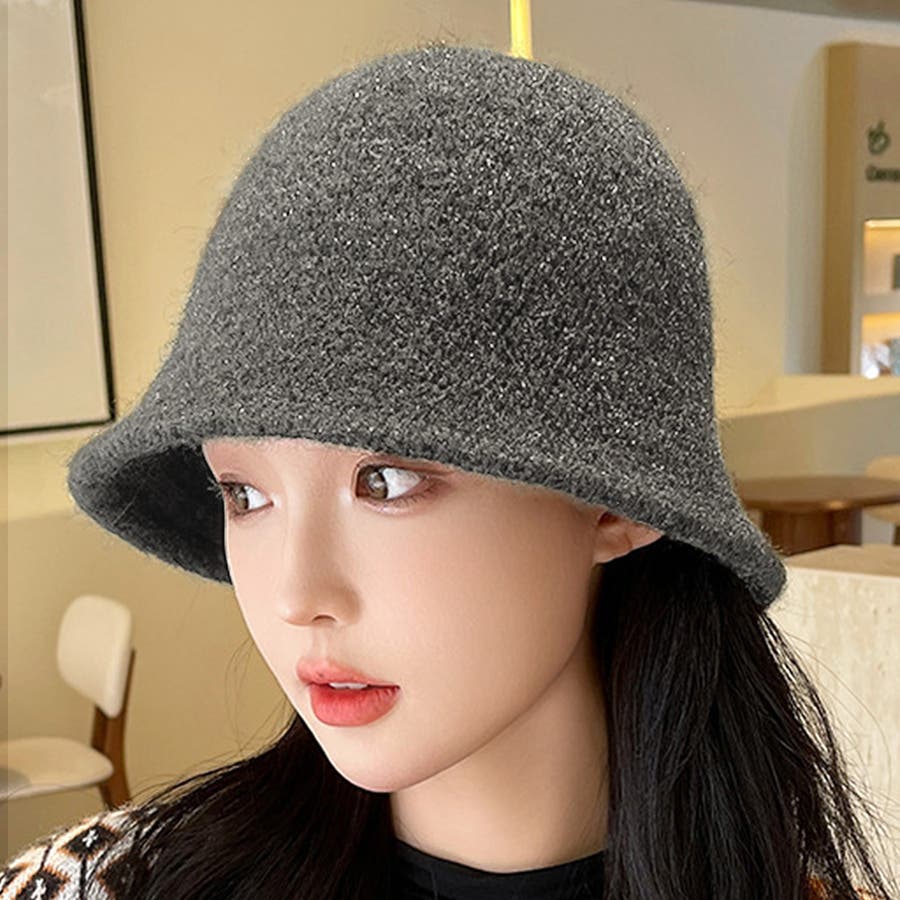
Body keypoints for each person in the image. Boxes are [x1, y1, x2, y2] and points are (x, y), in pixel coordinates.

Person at [2, 41, 893, 900]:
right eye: (245, 494)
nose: (296, 595)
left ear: (615, 503)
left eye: (383, 482)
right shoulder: (98, 886)